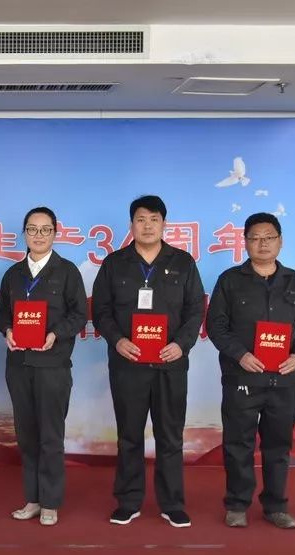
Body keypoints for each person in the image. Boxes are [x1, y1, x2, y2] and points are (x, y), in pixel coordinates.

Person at [91, 195, 205, 528]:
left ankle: (172, 503)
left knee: (170, 436)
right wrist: (118, 340)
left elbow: (195, 310)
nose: (147, 225)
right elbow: (101, 310)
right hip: (128, 364)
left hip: (170, 365)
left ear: (164, 224)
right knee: (129, 435)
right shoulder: (115, 264)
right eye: (141, 219)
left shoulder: (183, 263)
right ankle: (128, 501)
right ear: (132, 225)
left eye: (154, 219)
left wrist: (181, 345)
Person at [206, 212, 295, 529]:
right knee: (238, 444)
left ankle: (276, 506)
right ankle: (237, 504)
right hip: (242, 376)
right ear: (245, 243)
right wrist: (240, 355)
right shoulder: (230, 281)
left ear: (280, 242)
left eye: (269, 237)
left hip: (283, 379)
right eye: (255, 238)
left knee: (278, 446)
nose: (262, 243)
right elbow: (216, 325)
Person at [0, 207, 87, 526]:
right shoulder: (13, 274)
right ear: (24, 234)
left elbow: (79, 314)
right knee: (27, 436)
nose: (38, 235)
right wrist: (7, 330)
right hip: (19, 365)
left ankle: (50, 502)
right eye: (32, 229)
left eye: (45, 229)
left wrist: (54, 334)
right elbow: (2, 313)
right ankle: (33, 499)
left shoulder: (67, 272)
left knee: (50, 436)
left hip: (53, 366)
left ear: (55, 234)